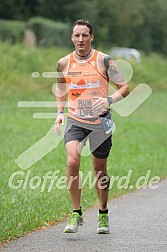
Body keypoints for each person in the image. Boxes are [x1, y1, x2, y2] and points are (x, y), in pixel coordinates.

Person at [55, 19, 129, 234]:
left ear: (91, 37)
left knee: (99, 170)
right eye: (77, 35)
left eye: (85, 35)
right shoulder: (63, 63)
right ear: (72, 37)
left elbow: (124, 87)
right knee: (72, 160)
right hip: (76, 120)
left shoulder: (104, 60)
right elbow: (60, 88)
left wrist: (109, 100)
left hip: (101, 121)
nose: (80, 39)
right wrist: (60, 113)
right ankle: (76, 213)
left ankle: (103, 213)